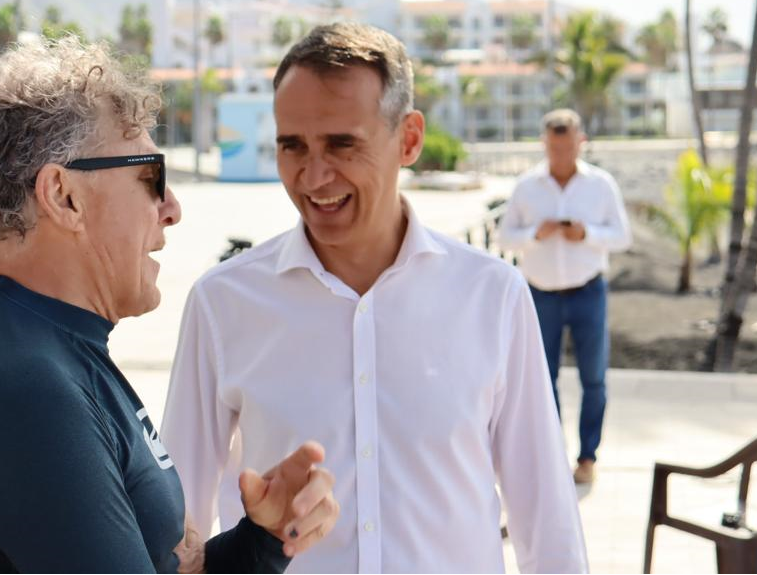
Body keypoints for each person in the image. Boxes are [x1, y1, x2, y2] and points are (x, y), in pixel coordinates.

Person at [0, 38, 338, 573]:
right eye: (151, 176)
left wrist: (261, 541)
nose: (172, 208)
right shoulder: (18, 385)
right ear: (63, 196)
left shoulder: (43, 342)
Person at [162, 23, 587, 573]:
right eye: (292, 146)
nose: (314, 176)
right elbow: (177, 524)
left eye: (342, 143)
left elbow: (545, 513)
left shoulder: (493, 295)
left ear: (408, 139)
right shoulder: (221, 303)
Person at [499, 109, 632, 484]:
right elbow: (504, 237)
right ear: (544, 144)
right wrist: (534, 236)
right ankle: (552, 456)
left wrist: (586, 233)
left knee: (594, 378)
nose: (561, 155)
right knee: (542, 379)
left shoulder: (601, 185)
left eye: (568, 147)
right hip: (539, 295)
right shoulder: (525, 187)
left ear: (581, 143)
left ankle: (587, 458)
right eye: (554, 148)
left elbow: (623, 236)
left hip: (589, 291)